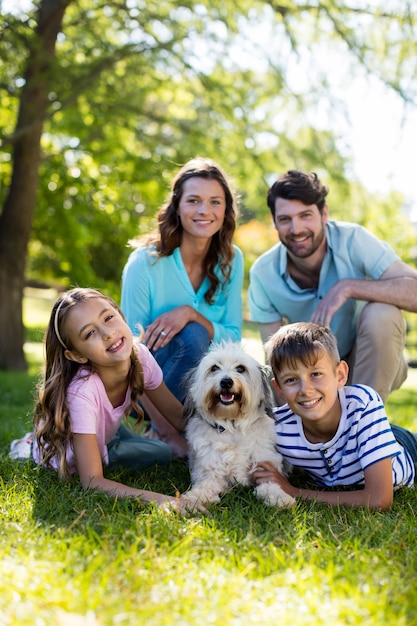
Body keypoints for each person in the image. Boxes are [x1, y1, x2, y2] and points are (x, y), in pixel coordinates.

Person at [248, 169, 417, 402]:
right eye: (285, 219)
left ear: (324, 213)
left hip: (370, 361)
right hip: (311, 372)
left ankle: (365, 423)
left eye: (305, 215)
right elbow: (274, 360)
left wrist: (347, 287)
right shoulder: (262, 273)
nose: (296, 229)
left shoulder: (354, 240)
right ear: (275, 222)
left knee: (383, 312)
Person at [32, 288, 205, 514]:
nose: (107, 333)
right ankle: (28, 445)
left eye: (108, 317)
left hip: (106, 432)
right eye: (89, 334)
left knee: (161, 451)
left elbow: (180, 418)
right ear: (77, 355)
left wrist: (230, 431)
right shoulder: (82, 393)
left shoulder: (140, 357)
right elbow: (92, 482)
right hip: (74, 452)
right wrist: (163, 499)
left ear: (120, 315)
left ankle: (114, 444)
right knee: (161, 453)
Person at [121, 157, 244, 451]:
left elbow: (234, 337)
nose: (205, 211)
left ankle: (202, 428)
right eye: (194, 201)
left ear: (226, 209)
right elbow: (128, 354)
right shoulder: (145, 262)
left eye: (215, 201)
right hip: (143, 389)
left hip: (203, 386)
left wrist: (191, 314)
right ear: (177, 206)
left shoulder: (232, 260)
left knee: (197, 332)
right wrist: (171, 434)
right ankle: (159, 430)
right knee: (193, 337)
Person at [252, 322, 417, 510]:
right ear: (279, 388)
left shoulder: (363, 404)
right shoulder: (277, 427)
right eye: (291, 380)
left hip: (407, 450)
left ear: (340, 375)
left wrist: (294, 491)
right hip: (367, 436)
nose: (306, 390)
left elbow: (380, 499)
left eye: (315, 374)